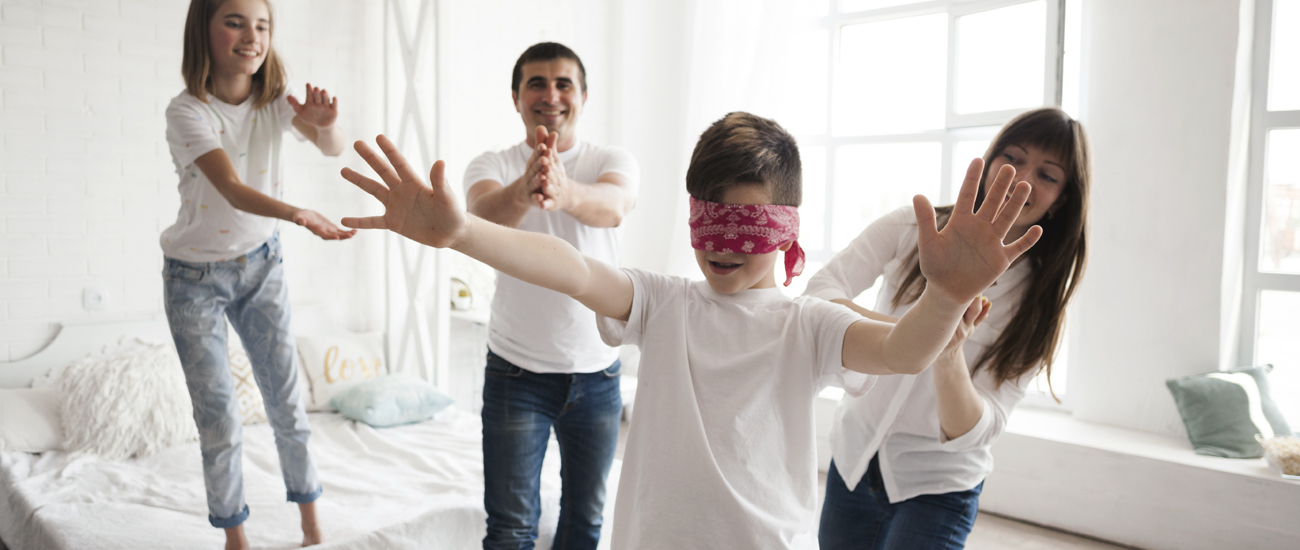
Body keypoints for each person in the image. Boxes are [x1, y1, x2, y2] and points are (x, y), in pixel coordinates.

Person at [337, 111, 1041, 549]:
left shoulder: (809, 325)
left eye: (747, 223)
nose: (723, 242)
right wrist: (464, 232)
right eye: (709, 219)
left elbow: (901, 349)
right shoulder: (664, 303)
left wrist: (946, 295)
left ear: (787, 229)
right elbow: (571, 269)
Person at [810, 107, 1090, 550]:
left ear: (1062, 201)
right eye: (1013, 157)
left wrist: (945, 352)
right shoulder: (913, 227)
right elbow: (821, 291)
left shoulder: (1038, 303)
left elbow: (977, 430)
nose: (1022, 177)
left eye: (1047, 175)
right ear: (989, 160)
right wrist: (922, 329)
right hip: (852, 460)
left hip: (939, 488)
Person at [161, 1, 355, 548]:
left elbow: (331, 147)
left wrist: (327, 124)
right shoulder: (188, 112)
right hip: (194, 280)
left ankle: (313, 528)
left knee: (287, 402)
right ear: (205, 29)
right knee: (220, 417)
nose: (252, 36)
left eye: (263, 25)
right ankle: (235, 536)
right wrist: (297, 213)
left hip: (261, 266)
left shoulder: (273, 102)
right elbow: (230, 187)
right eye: (235, 21)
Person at [460, 42, 639, 550]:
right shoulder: (490, 163)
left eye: (564, 83)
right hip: (517, 374)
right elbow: (481, 220)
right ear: (516, 97)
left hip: (598, 373)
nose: (551, 94)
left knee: (584, 523)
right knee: (511, 527)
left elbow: (615, 205)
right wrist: (527, 185)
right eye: (536, 83)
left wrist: (565, 192)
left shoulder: (611, 159)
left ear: (583, 95)